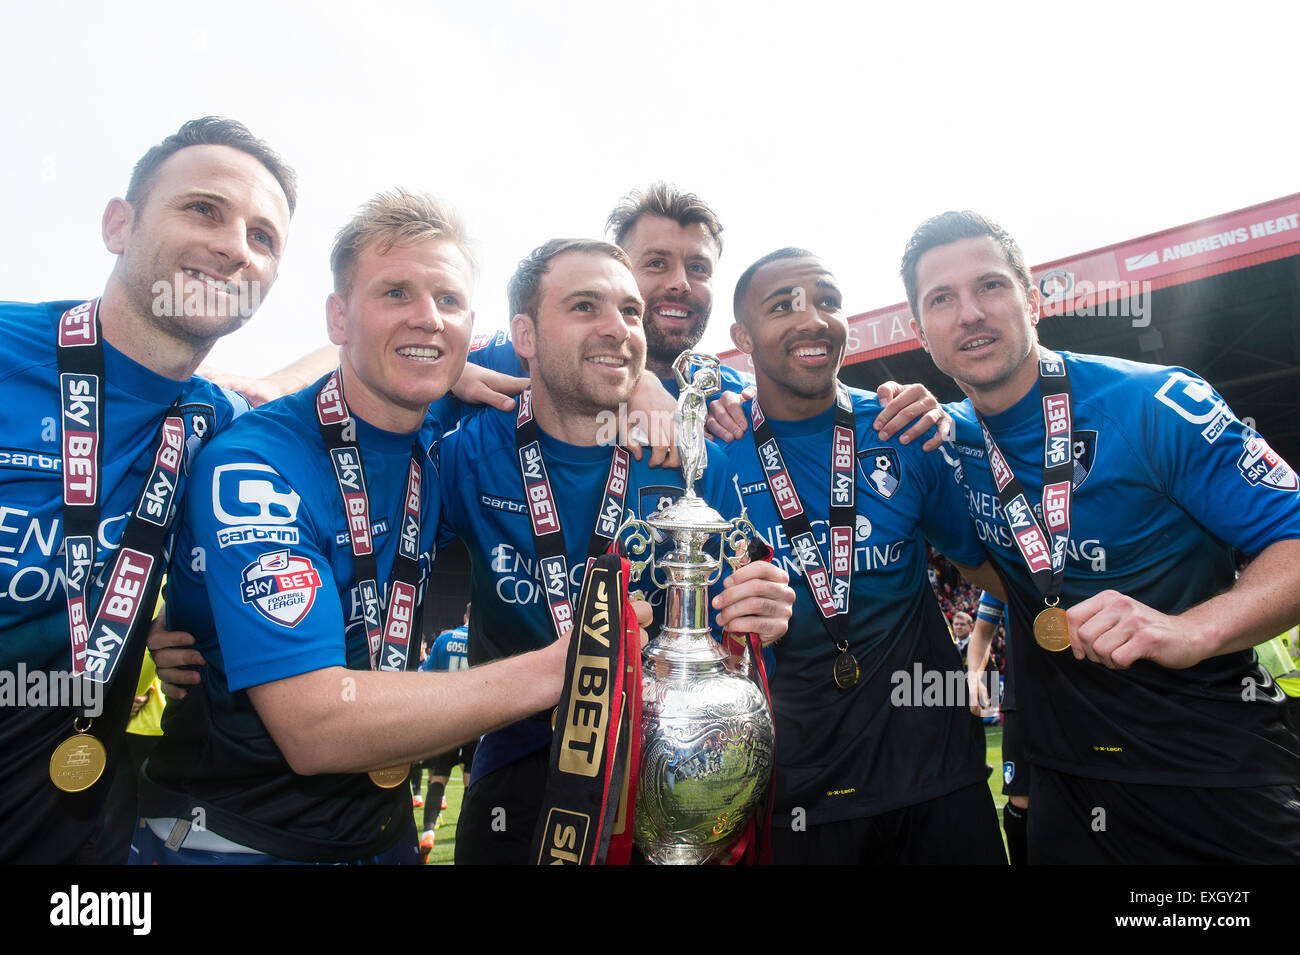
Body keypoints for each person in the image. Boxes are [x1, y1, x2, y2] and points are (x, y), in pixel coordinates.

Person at [135, 191, 573, 864]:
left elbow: (599, 344)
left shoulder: (441, 421)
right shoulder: (256, 462)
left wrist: (675, 389)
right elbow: (315, 728)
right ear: (338, 316)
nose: (427, 317)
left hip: (382, 834)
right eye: (395, 292)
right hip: (236, 840)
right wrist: (564, 670)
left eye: (448, 301)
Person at [903, 210, 1300, 863]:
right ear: (922, 333)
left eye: (991, 286)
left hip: (1211, 771)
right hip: (1068, 787)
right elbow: (988, 568)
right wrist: (672, 385)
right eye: (941, 299)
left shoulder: (1154, 402)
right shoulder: (944, 442)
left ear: (1032, 301)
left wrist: (1191, 630)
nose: (969, 312)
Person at [437, 238, 796, 864]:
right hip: (519, 771)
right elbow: (363, 388)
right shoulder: (470, 449)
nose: (617, 330)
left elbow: (747, 597)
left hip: (663, 772)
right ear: (523, 334)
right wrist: (444, 374)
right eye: (584, 307)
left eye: (631, 312)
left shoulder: (689, 455)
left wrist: (765, 605)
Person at [0, 117, 297, 864]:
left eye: (263, 237)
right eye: (203, 208)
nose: (235, 245)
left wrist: (442, 361)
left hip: (80, 841)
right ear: (117, 225)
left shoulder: (213, 421)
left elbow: (348, 365)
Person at [720, 247, 1006, 864]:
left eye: (828, 301)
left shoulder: (904, 429)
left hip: (939, 779)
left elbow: (995, 576)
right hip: (795, 794)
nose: (814, 320)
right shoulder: (716, 449)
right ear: (741, 336)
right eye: (783, 306)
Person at [417, 603, 474, 852]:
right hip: (474, 721)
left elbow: (429, 678)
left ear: (464, 616)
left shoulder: (443, 639)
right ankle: (464, 834)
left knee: (438, 778)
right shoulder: (482, 642)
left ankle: (428, 830)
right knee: (470, 783)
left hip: (446, 720)